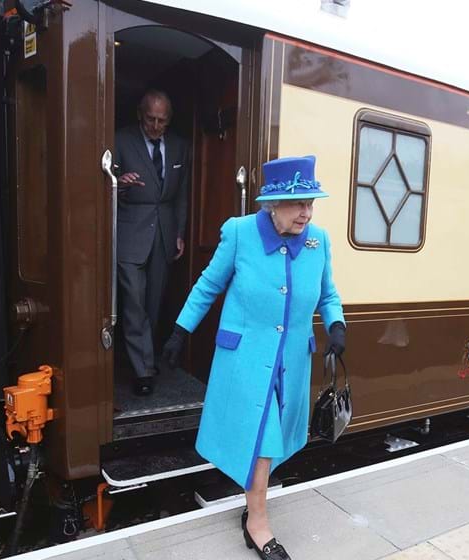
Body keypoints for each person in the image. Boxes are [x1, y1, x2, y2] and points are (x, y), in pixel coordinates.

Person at [160, 155, 345, 560]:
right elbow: (208, 285)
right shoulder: (241, 233)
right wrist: (180, 331)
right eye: (298, 203)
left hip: (293, 360)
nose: (306, 212)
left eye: (310, 203)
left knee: (274, 440)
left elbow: (328, 294)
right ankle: (258, 524)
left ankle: (254, 504)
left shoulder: (320, 241)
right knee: (262, 438)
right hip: (244, 359)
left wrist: (336, 325)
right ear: (272, 204)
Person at [114, 90, 191, 396]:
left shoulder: (180, 147)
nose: (156, 126)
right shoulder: (120, 140)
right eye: (151, 119)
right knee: (133, 302)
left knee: (154, 303)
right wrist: (119, 184)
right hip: (130, 234)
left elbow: (182, 196)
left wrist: (179, 233)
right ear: (139, 114)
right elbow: (104, 186)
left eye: (162, 121)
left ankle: (145, 355)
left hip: (163, 232)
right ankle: (142, 369)